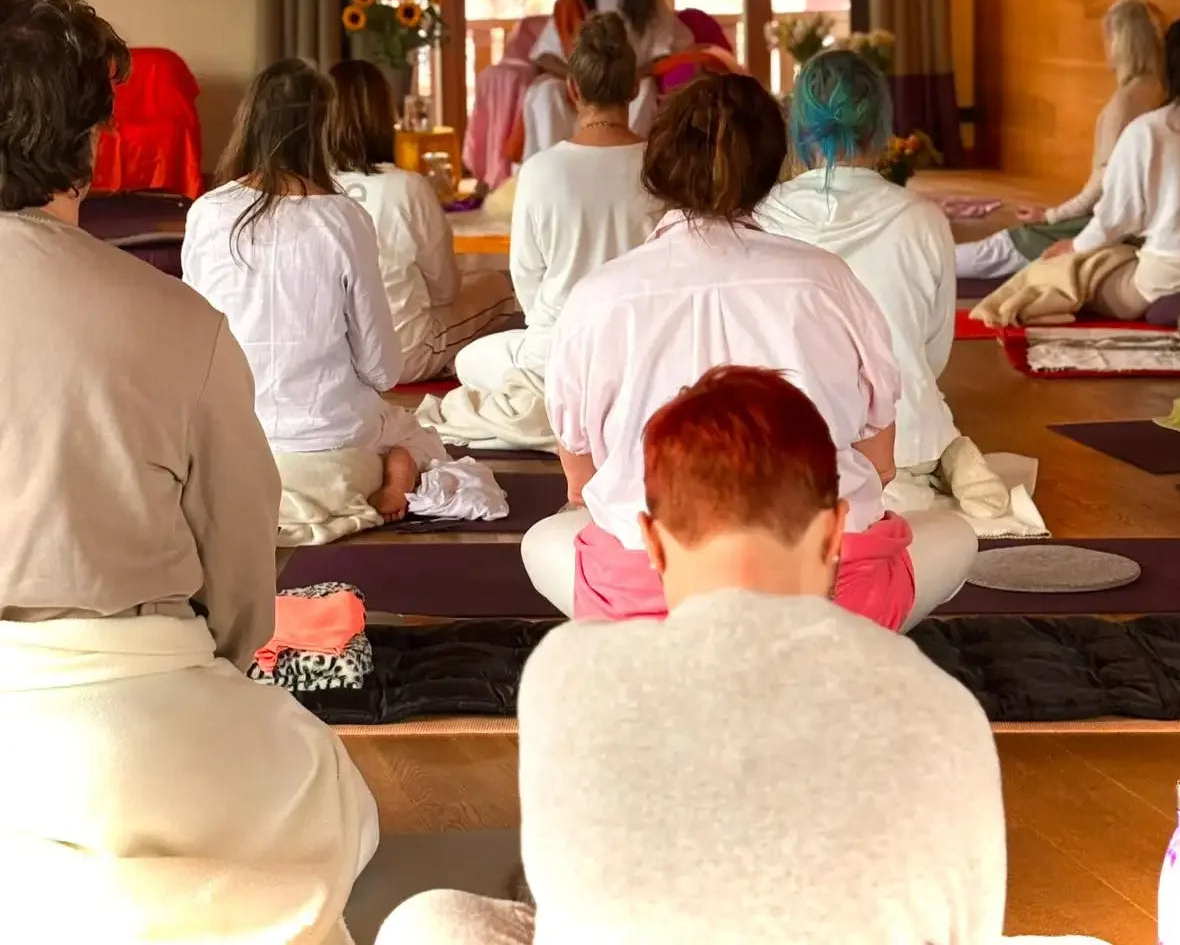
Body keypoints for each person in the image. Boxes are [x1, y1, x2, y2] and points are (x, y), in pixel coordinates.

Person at [0, 0, 376, 940]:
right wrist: (232, 664)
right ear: (91, 144)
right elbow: (241, 580)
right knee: (333, 816)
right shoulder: (177, 325)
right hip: (134, 710)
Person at [380, 367, 1005, 945]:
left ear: (651, 539)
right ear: (837, 530)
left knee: (428, 924)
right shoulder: (940, 703)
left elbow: (566, 894)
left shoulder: (568, 668)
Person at [521, 71, 978, 631]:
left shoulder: (597, 297)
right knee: (954, 532)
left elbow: (579, 483)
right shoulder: (828, 280)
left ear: (657, 166)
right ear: (771, 170)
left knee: (546, 539)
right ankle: (823, 649)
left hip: (653, 599)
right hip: (826, 594)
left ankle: (667, 644)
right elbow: (880, 465)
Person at [183, 59, 429, 521]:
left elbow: (193, 343)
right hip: (328, 439)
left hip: (231, 435)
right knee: (414, 434)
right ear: (323, 132)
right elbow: (382, 370)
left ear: (248, 123)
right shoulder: (343, 219)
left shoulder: (206, 213)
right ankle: (395, 480)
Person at [758, 49, 957, 468]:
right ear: (881, 128)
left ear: (798, 130)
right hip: (907, 443)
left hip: (788, 448)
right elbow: (931, 355)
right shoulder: (923, 220)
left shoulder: (759, 217)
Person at [455, 14, 659, 399]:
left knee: (470, 360)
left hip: (559, 352)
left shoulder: (540, 171)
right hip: (638, 347)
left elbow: (527, 280)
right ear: (634, 88)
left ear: (572, 89)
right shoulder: (661, 166)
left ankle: (560, 402)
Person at [327, 59, 518, 381]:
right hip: (404, 355)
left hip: (335, 359)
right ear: (386, 116)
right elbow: (445, 291)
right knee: (498, 285)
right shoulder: (406, 187)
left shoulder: (311, 189)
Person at [957, 0, 1165, 282]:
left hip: (1113, 226)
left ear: (1121, 42)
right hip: (1141, 225)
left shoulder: (1127, 103)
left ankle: (923, 264)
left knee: (1006, 246)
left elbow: (1102, 186)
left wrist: (1051, 215)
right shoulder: (1164, 94)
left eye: (1107, 38)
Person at [1058, 16, 1180, 319]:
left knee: (1077, 278)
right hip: (1176, 272)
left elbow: (1115, 217)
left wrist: (1073, 247)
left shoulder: (1149, 130)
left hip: (1167, 279)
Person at [519, 0, 692, 159]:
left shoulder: (649, 3)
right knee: (546, 93)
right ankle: (553, 163)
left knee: (644, 91)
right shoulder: (573, 1)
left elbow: (663, 53)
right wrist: (580, 74)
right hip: (580, 83)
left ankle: (630, 162)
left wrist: (625, 76)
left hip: (628, 82)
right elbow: (545, 55)